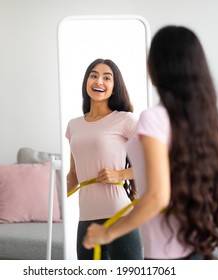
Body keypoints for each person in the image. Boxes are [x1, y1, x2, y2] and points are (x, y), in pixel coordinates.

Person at [82, 26, 218, 260]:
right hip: (194, 248)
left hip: (164, 256)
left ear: (155, 67)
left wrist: (107, 234)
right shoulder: (201, 115)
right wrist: (187, 189)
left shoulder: (154, 118)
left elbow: (158, 197)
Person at [66, 58, 143, 260]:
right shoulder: (74, 125)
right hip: (86, 219)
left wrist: (119, 174)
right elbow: (73, 175)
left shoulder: (125, 120)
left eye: (106, 77)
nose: (98, 81)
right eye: (93, 75)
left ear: (114, 86)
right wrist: (49, 200)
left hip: (118, 215)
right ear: (86, 82)